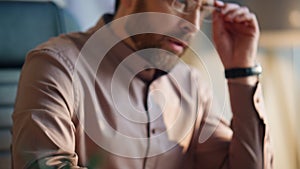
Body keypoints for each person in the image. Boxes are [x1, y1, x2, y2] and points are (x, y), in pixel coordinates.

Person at [12, 0, 273, 168]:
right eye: (181, 2)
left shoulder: (191, 85)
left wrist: (241, 69)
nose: (192, 26)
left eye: (201, 9)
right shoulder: (56, 66)